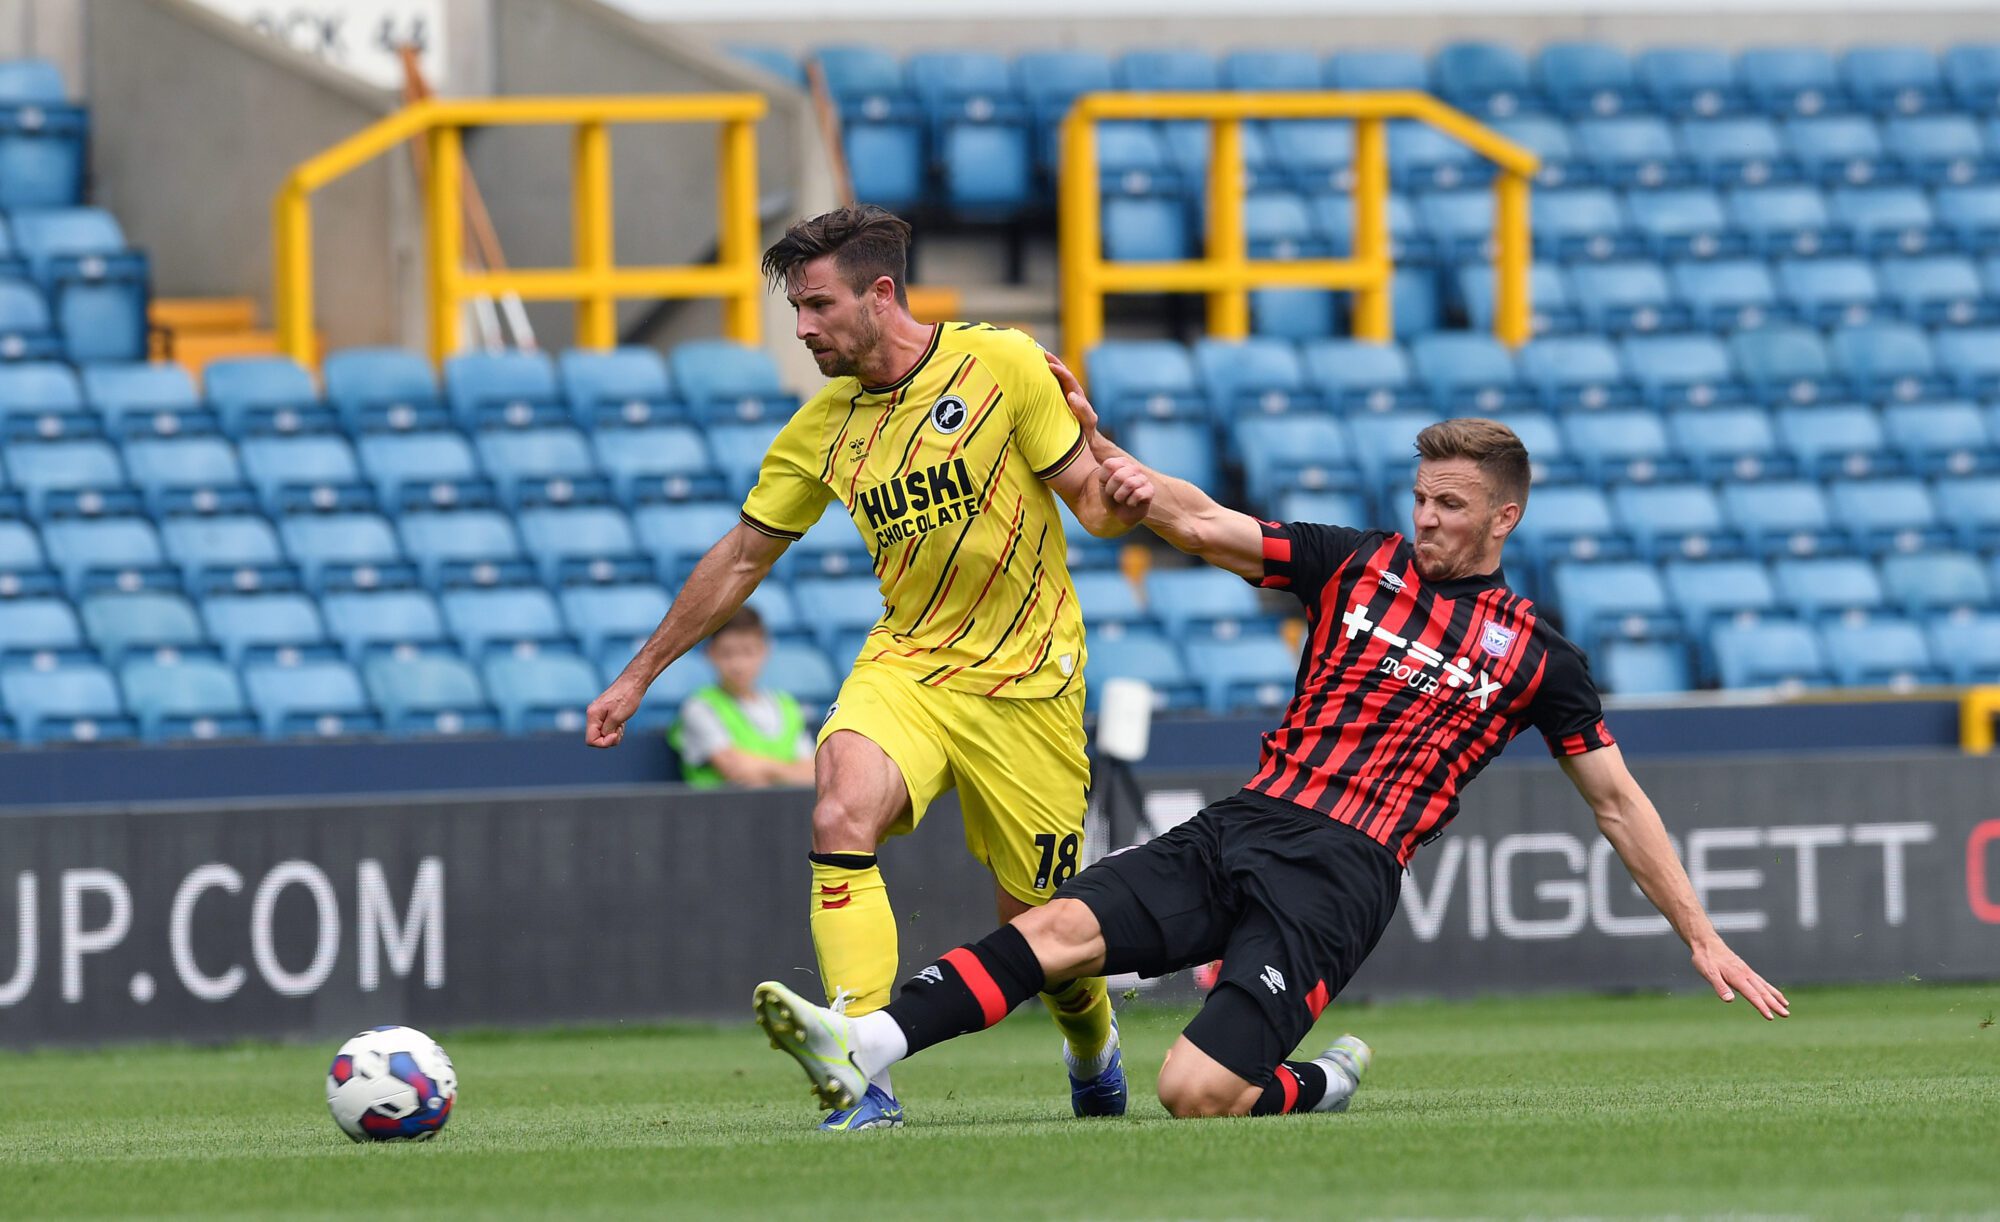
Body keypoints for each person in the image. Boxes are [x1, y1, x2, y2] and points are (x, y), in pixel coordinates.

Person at [753, 395, 1791, 1124]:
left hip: (1341, 874)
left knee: (1194, 1092)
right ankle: (866, 1046)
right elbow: (1203, 523)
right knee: (1052, 928)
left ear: (1502, 517)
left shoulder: (1537, 657)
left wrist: (1699, 934)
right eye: (1421, 497)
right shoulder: (1357, 563)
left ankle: (1318, 1083)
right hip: (1246, 820)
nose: (1425, 518)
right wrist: (1095, 444)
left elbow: (1616, 803)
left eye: (1450, 505)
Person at [584, 206, 1146, 1130]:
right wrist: (639, 674)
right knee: (840, 805)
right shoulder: (821, 427)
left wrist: (1116, 474)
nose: (803, 329)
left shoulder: (1001, 365)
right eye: (796, 311)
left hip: (1028, 685)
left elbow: (1095, 508)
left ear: (881, 295)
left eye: (818, 306)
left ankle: (1091, 1046)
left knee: (1042, 933)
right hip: (908, 664)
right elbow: (742, 558)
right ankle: (862, 1070)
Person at [669, 606, 816, 788]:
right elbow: (736, 770)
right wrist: (789, 771)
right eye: (727, 653)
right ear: (710, 653)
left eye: (748, 652)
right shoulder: (700, 706)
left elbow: (813, 773)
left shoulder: (787, 705)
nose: (738, 665)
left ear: (765, 650)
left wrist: (762, 768)